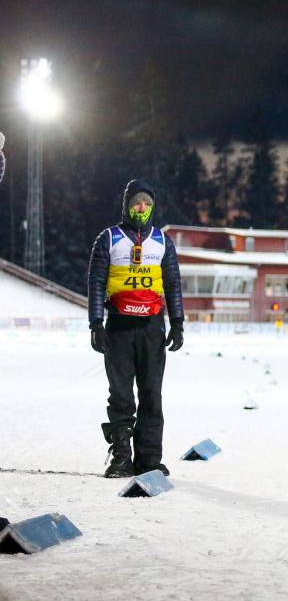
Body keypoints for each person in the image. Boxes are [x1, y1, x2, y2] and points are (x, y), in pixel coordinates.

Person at [87, 180, 184, 478]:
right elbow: (96, 283)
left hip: (152, 327)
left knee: (152, 395)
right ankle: (121, 457)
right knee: (121, 396)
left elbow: (172, 285)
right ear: (127, 204)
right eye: (136, 202)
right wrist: (96, 323)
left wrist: (178, 323)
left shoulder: (163, 241)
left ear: (152, 206)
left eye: (146, 202)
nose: (141, 207)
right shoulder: (108, 238)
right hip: (118, 326)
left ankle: (150, 460)